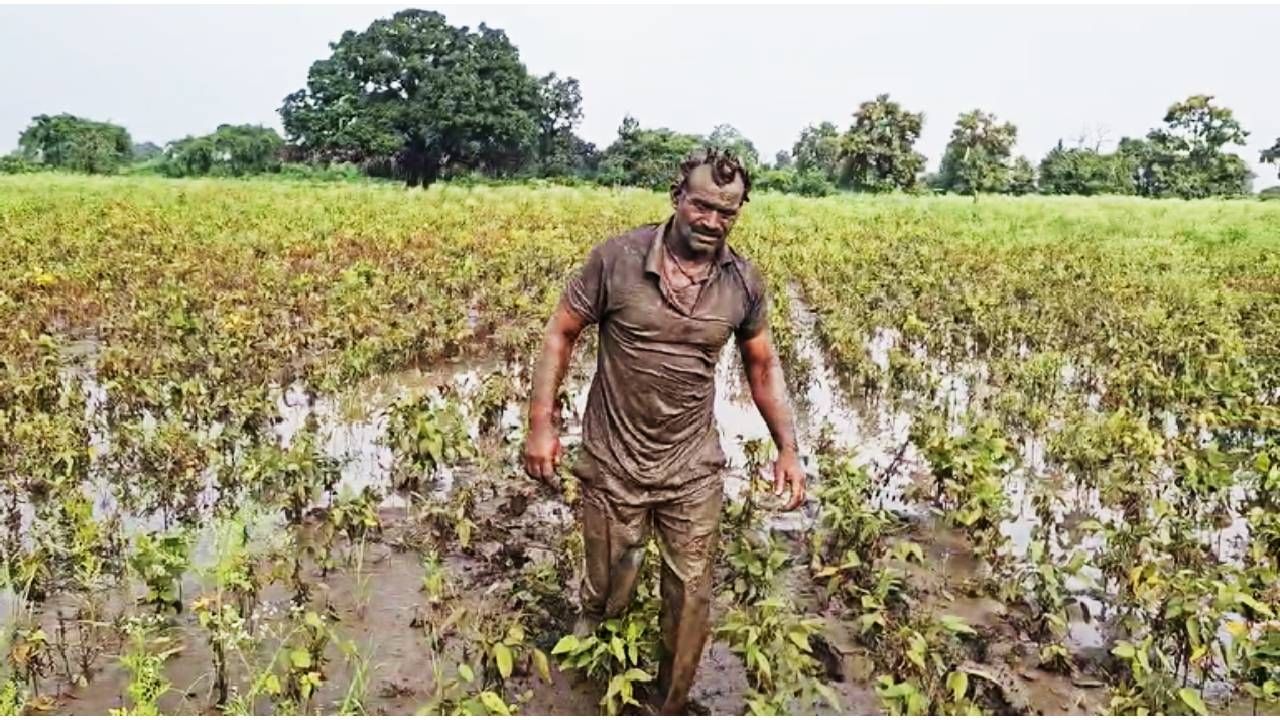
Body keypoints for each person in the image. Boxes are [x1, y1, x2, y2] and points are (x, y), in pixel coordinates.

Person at [522, 148, 805, 714]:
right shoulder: (617, 259)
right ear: (677, 197)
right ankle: (592, 686)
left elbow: (762, 367)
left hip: (692, 468)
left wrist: (788, 449)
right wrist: (540, 425)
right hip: (613, 461)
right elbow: (561, 333)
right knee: (609, 588)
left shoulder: (743, 282)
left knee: (692, 593)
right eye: (702, 205)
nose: (711, 221)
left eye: (727, 213)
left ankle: (668, 703)